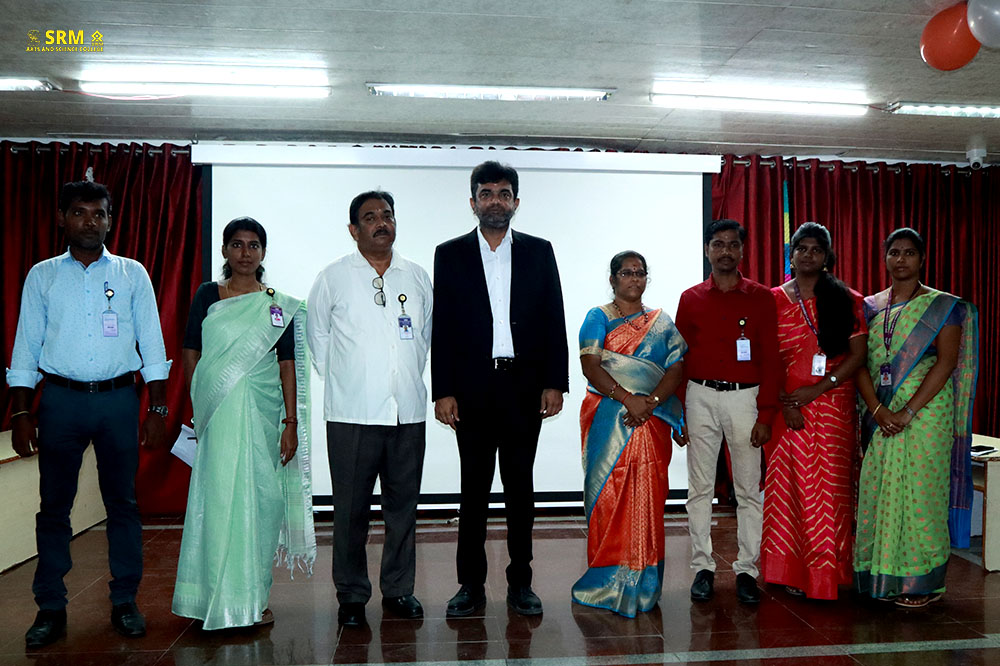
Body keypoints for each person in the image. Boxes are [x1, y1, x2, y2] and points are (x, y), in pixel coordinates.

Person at [7, 180, 171, 648]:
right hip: (61, 402)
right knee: (54, 507)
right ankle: (50, 608)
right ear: (62, 218)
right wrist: (22, 413)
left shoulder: (132, 273)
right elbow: (26, 345)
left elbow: (152, 342)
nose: (89, 222)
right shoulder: (42, 276)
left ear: (110, 220)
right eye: (79, 212)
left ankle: (125, 601)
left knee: (123, 504)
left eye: (99, 213)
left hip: (119, 400)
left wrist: (157, 407)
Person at [432, 161, 569, 617]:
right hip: (470, 391)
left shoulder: (539, 251)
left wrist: (555, 382)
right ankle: (470, 585)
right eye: (486, 193)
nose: (495, 200)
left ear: (516, 202)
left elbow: (553, 316)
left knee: (520, 491)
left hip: (523, 388)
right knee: (472, 491)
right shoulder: (450, 254)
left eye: (503, 193)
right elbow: (442, 327)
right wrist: (443, 390)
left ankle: (520, 583)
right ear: (472, 202)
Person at [172, 217, 315, 629]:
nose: (245, 253)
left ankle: (250, 599)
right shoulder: (207, 295)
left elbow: (286, 364)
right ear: (224, 251)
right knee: (216, 502)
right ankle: (208, 600)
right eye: (237, 244)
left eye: (254, 245)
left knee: (261, 503)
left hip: (262, 414)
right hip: (217, 414)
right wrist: (202, 399)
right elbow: (191, 350)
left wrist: (290, 422)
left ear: (263, 253)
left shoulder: (275, 304)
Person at [307, 191, 432, 627]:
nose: (382, 223)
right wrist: (352, 379)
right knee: (350, 511)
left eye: (387, 215)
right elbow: (318, 338)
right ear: (353, 229)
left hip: (407, 413)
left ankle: (398, 590)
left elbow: (424, 338)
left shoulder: (416, 276)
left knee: (403, 509)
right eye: (370, 217)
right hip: (352, 414)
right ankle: (352, 595)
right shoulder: (333, 277)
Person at [854, 228, 978, 609]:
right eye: (894, 252)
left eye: (909, 253)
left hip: (926, 414)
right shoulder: (869, 307)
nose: (901, 259)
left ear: (922, 258)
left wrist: (908, 411)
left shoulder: (943, 306)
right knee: (878, 491)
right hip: (880, 414)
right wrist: (879, 410)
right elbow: (859, 362)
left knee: (922, 495)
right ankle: (879, 576)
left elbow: (947, 362)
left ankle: (922, 582)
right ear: (885, 258)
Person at [570, 251, 686, 617]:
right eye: (626, 273)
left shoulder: (662, 323)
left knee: (648, 496)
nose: (634, 278)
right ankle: (605, 581)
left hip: (651, 420)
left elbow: (676, 367)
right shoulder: (598, 317)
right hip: (609, 418)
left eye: (640, 272)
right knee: (610, 495)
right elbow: (591, 365)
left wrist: (650, 402)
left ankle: (645, 581)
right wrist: (627, 399)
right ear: (613, 279)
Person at [674, 219, 780, 605]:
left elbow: (771, 359)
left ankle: (747, 570)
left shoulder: (761, 297)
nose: (725, 251)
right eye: (718, 244)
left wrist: (765, 415)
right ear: (707, 250)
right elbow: (679, 359)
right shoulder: (690, 298)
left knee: (748, 489)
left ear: (742, 250)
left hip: (745, 399)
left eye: (733, 244)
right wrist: (678, 412)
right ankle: (703, 567)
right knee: (699, 488)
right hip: (699, 396)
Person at [760, 222, 867, 600]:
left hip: (834, 406)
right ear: (790, 255)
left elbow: (858, 355)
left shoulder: (847, 299)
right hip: (785, 408)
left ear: (827, 257)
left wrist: (818, 389)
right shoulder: (771, 299)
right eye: (801, 248)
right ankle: (787, 570)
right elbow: (765, 358)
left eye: (816, 249)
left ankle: (827, 574)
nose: (808, 255)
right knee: (788, 489)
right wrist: (787, 402)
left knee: (831, 492)